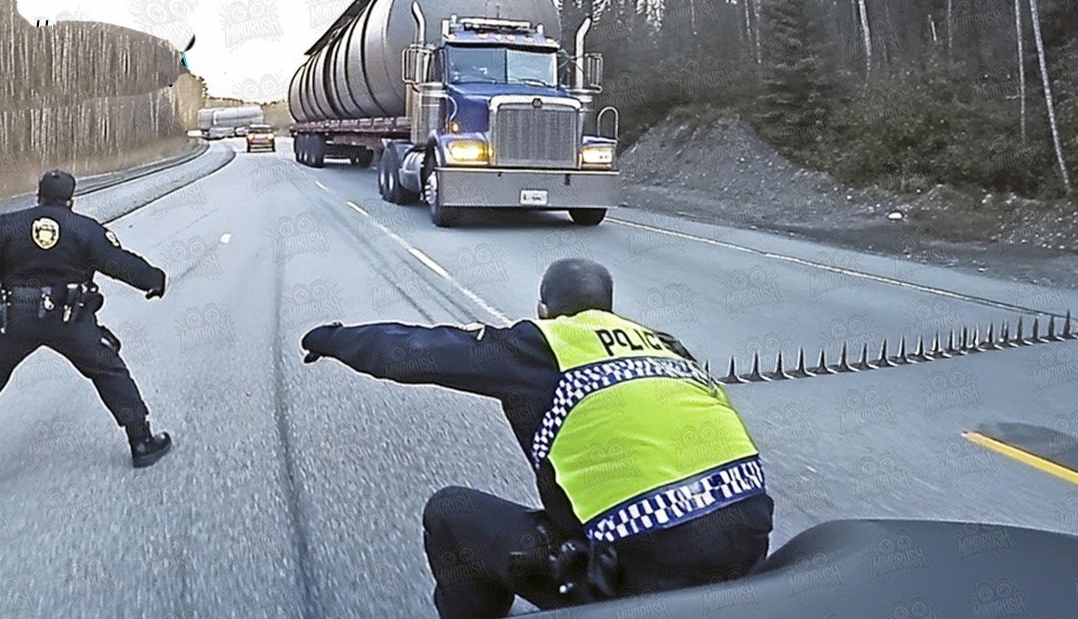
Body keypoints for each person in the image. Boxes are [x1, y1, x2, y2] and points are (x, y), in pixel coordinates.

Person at [301, 258, 772, 618]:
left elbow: (412, 352)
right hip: (748, 549)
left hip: (643, 576)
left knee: (450, 512)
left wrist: (331, 338)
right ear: (607, 308)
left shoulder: (543, 345)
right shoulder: (666, 345)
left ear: (544, 311)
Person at [0, 170, 173, 469]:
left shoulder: (7, 224)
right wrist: (151, 279)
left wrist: (3, 299)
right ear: (71, 200)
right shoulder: (84, 229)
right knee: (108, 369)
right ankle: (141, 442)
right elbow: (116, 262)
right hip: (70, 319)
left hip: (17, 318)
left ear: (39, 195)